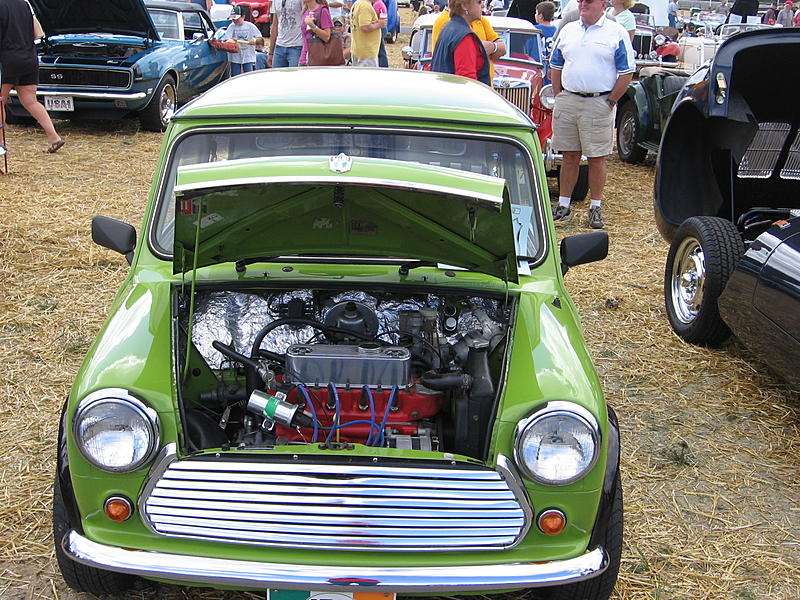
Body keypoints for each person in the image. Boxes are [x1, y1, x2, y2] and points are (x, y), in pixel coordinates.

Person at [549, 0, 635, 229]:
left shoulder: (616, 32)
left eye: (588, 1)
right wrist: (559, 95)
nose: (582, 4)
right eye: (580, 1)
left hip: (599, 102)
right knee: (569, 156)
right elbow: (555, 64)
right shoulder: (568, 30)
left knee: (597, 157)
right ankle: (564, 205)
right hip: (569, 99)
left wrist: (611, 101)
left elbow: (627, 71)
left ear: (602, 4)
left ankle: (595, 206)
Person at [0, 0, 64, 153]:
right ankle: (54, 137)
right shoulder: (25, 3)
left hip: (7, 60)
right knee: (31, 101)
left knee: (0, 101)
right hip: (29, 58)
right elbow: (39, 33)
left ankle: (1, 144)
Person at [431, 4, 506, 80]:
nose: (483, 5)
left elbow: (502, 48)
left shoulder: (480, 20)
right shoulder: (450, 25)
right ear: (464, 5)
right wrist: (479, 50)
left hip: (483, 84)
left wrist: (493, 46)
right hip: (465, 84)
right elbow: (466, 76)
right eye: (478, 2)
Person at [224, 6, 261, 75]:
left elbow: (260, 38)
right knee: (235, 75)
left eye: (237, 19)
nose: (235, 21)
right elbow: (226, 39)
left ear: (243, 17)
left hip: (248, 56)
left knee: (248, 74)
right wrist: (230, 41)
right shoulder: (231, 27)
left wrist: (254, 40)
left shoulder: (250, 26)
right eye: (233, 19)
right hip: (235, 57)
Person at [350, 0, 387, 66]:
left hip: (358, 49)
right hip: (366, 52)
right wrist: (379, 24)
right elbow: (365, 27)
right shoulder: (365, 6)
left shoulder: (357, 3)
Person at [270, 0, 305, 67]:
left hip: (297, 45)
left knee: (295, 72)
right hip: (279, 45)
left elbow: (306, 17)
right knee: (276, 72)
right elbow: (275, 25)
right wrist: (271, 52)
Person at [525, 1, 555, 74]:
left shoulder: (533, 30)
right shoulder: (556, 30)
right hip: (552, 70)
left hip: (536, 68)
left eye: (536, 13)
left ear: (540, 16)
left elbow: (526, 50)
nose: (535, 15)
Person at [300, 0, 333, 65]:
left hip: (318, 57)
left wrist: (313, 26)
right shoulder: (305, 11)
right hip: (305, 56)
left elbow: (326, 37)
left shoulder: (323, 10)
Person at [372, 0, 389, 67]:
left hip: (380, 28)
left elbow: (374, 17)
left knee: (380, 50)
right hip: (382, 27)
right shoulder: (380, 3)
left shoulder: (377, 4)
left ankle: (383, 65)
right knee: (381, 49)